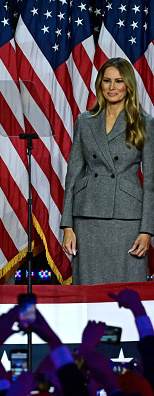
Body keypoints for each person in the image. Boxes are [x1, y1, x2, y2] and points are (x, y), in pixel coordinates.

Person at [61, 57, 154, 285]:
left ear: (128, 85)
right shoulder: (85, 121)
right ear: (100, 85)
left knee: (127, 291)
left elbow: (151, 181)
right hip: (87, 216)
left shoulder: (145, 123)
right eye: (107, 81)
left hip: (127, 218)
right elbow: (73, 175)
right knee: (88, 291)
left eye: (119, 81)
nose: (112, 87)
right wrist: (68, 225)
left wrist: (147, 231)